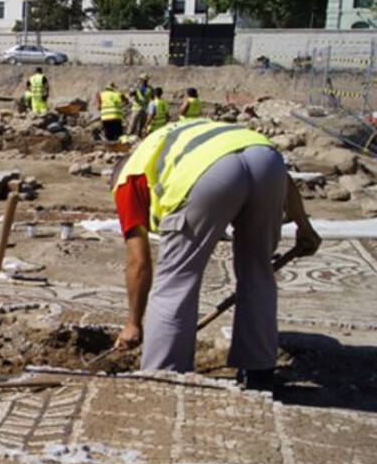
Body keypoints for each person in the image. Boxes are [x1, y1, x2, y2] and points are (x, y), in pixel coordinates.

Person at [111, 119, 321, 381]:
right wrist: (304, 226)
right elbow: (284, 180)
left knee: (176, 280)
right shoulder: (175, 139)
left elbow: (138, 263)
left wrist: (133, 323)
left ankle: (163, 375)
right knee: (257, 270)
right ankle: (258, 370)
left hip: (210, 175)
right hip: (266, 160)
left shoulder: (128, 179)